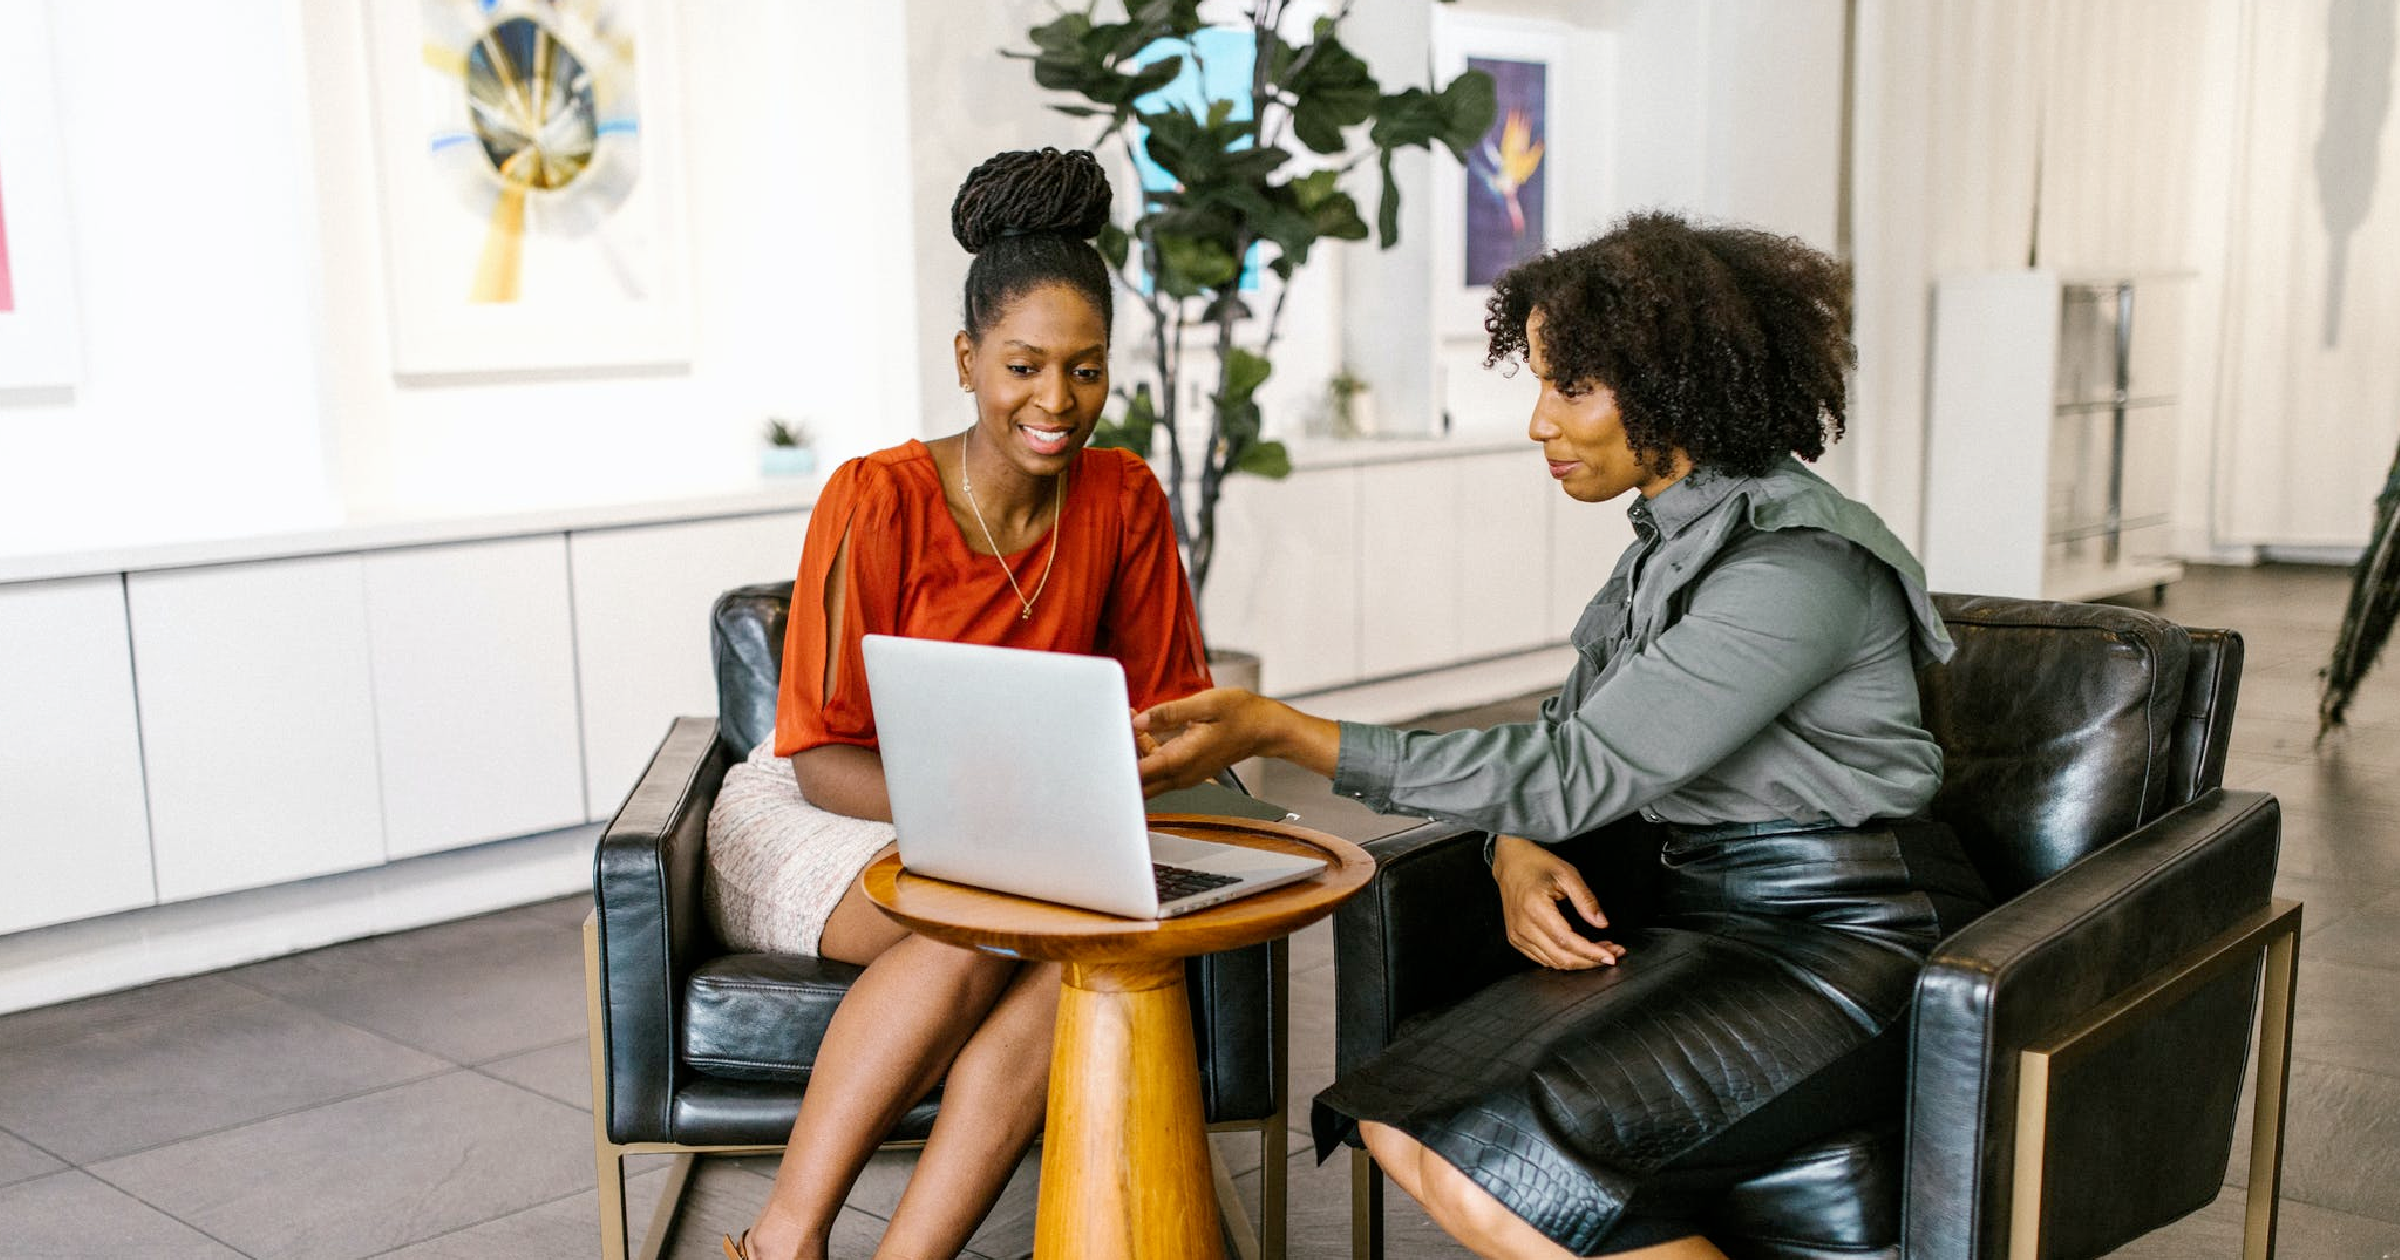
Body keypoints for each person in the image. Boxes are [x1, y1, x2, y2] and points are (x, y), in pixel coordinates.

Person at [1134, 212, 1992, 1259]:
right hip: (1714, 921)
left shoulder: (1793, 568)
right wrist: (1514, 849)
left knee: (1497, 1163)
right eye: (1539, 382)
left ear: (1679, 387)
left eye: (1570, 387)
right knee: (1399, 1119)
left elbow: (1578, 769)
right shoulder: (1665, 548)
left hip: (1850, 943)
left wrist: (1289, 732)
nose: (1539, 422)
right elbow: (1565, 737)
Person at [707, 147, 1211, 1260]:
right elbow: (820, 754)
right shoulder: (875, 499)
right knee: (995, 925)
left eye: (1086, 370)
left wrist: (1133, 775)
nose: (1056, 401)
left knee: (1079, 956)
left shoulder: (1124, 499)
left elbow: (1175, 715)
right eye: (1024, 366)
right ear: (968, 357)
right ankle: (784, 1241)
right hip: (820, 812)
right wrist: (1000, 835)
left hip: (1006, 844)